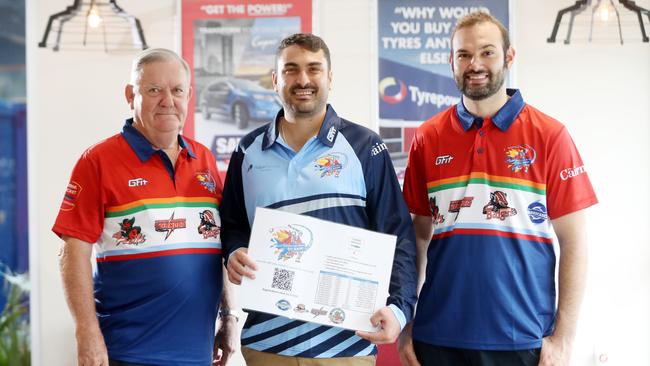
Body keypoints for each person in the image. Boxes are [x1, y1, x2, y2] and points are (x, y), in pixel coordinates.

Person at [398, 12, 598, 366]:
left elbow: (575, 241)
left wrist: (564, 339)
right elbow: (417, 236)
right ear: (451, 61)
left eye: (487, 52)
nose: (475, 64)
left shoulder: (550, 135)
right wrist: (405, 322)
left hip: (522, 338)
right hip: (437, 336)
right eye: (463, 55)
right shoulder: (427, 137)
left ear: (509, 56)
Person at [219, 33, 418, 365]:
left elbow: (398, 236)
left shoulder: (365, 147)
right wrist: (234, 251)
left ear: (329, 77)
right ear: (274, 79)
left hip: (347, 347)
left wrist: (399, 307)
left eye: (314, 68)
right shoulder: (247, 151)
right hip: (266, 345)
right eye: (291, 70)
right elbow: (233, 226)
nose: (303, 80)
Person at [52, 48, 237, 366]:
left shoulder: (204, 159)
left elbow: (216, 245)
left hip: (198, 352)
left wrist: (229, 315)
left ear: (189, 95)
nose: (168, 100)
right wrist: (86, 332)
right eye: (154, 90)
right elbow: (73, 251)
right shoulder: (98, 161)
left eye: (177, 90)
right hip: (126, 352)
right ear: (130, 95)